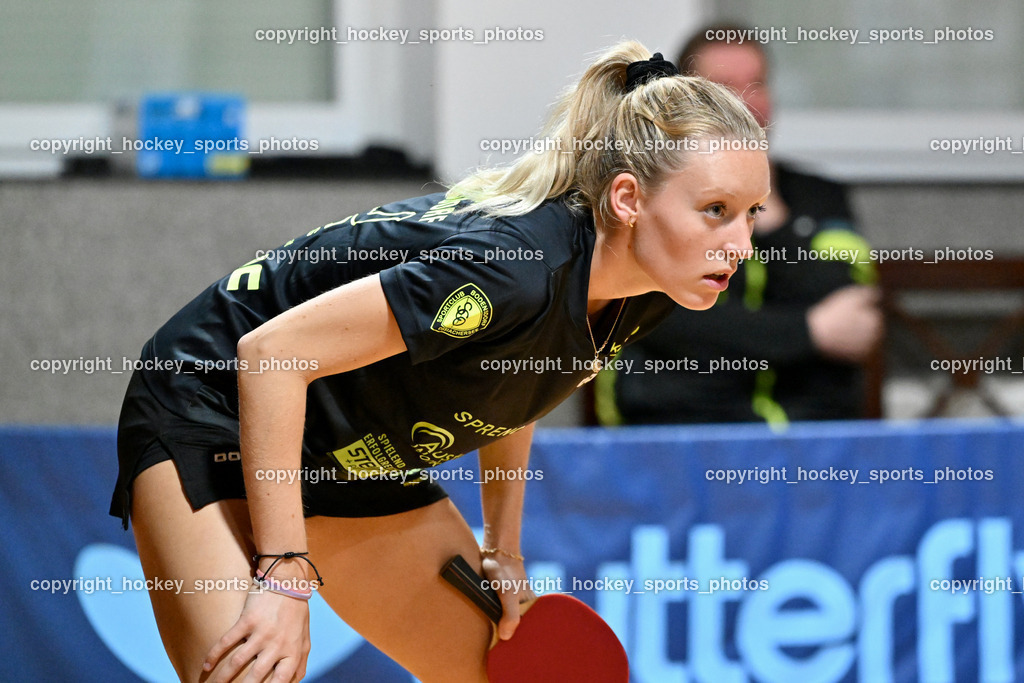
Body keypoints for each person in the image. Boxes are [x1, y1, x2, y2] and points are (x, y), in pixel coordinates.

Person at [110, 41, 769, 682]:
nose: (740, 243)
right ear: (628, 199)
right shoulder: (511, 270)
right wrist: (283, 571)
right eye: (716, 211)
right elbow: (271, 355)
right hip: (212, 402)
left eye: (750, 214)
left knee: (496, 669)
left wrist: (502, 550)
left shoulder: (648, 290)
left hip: (353, 449)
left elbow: (521, 381)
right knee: (251, 670)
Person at [603, 25, 882, 427]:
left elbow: (853, 312)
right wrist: (809, 331)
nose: (748, 102)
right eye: (726, 86)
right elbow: (665, 321)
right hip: (683, 440)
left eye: (759, 83)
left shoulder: (819, 194)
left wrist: (771, 212)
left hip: (813, 444)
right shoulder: (647, 196)